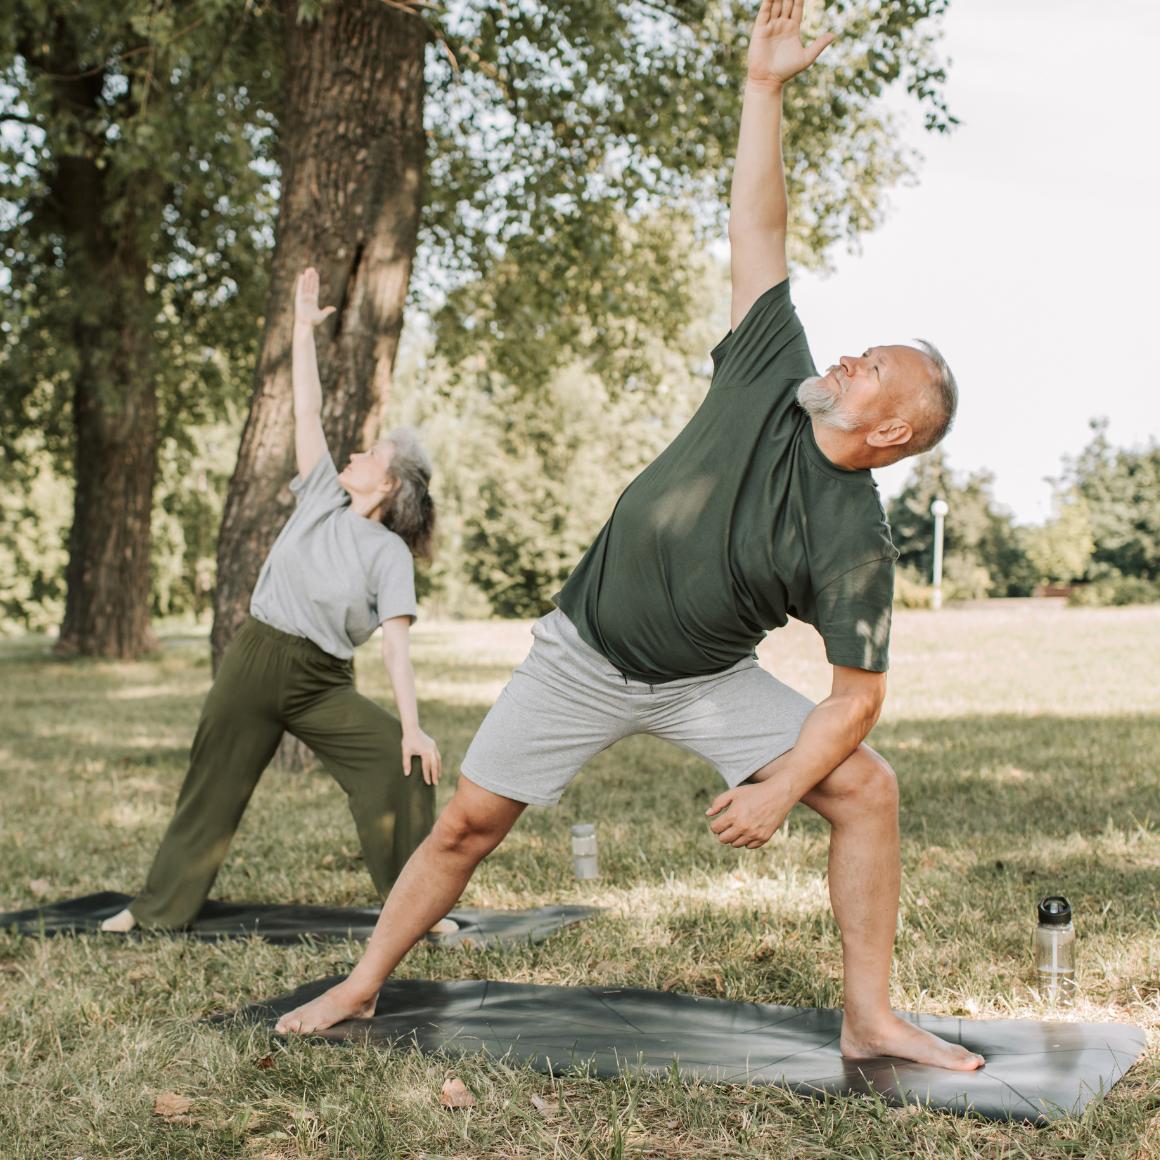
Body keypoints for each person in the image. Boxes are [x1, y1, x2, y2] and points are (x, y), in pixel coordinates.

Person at [273, 2, 983, 1071]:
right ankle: (362, 985)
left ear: (889, 430)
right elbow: (758, 229)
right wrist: (761, 91)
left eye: (871, 367)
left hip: (704, 677)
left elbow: (855, 698)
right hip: (583, 652)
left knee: (865, 785)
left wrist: (779, 784)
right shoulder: (768, 367)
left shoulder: (855, 539)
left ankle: (869, 1015)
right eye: (858, 349)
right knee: (467, 824)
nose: (846, 358)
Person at [102, 266, 447, 934]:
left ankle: (418, 912)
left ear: (388, 485)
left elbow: (397, 651)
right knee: (213, 784)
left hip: (321, 682)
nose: (354, 450)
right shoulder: (320, 490)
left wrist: (411, 725)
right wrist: (300, 330)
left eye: (369, 453)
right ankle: (156, 912)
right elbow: (307, 408)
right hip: (257, 660)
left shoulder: (389, 556)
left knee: (398, 762)